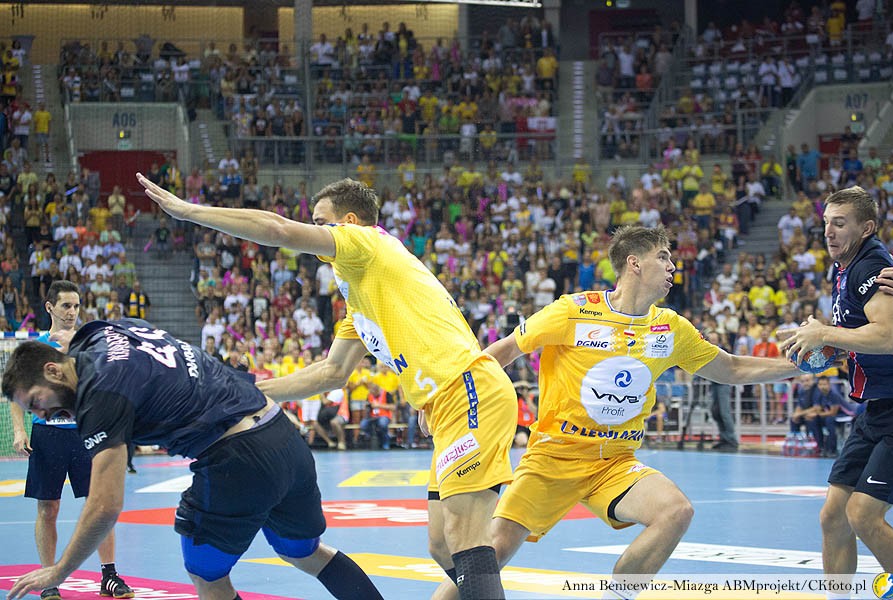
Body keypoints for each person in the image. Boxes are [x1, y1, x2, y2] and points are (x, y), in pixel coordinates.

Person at [137, 174, 517, 600]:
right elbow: (330, 372)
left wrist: (189, 211)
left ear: (349, 222)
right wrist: (249, 391)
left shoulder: (365, 243)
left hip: (468, 392)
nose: (314, 230)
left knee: (464, 536)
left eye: (320, 222)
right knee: (443, 544)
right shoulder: (363, 299)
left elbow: (278, 230)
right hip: (445, 406)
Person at [435, 225, 802, 600]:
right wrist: (452, 399)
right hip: (553, 457)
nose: (673, 266)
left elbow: (732, 368)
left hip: (614, 462)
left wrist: (798, 366)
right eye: (663, 257)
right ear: (634, 263)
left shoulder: (670, 328)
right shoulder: (573, 310)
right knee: (491, 552)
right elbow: (506, 349)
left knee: (675, 511)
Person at [3, 318, 383, 600]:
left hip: (238, 457)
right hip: (282, 434)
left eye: (37, 401)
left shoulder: (99, 397)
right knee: (305, 553)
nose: (43, 413)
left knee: (207, 575)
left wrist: (60, 570)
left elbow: (105, 506)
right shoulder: (104, 333)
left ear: (53, 370)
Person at [780, 186, 893, 580]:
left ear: (866, 228)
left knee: (864, 515)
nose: (828, 231)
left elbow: (891, 337)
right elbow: (868, 336)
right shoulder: (845, 267)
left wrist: (826, 334)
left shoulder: (871, 266)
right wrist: (836, 349)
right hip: (876, 408)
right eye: (826, 223)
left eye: (840, 223)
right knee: (833, 516)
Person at [8, 280, 133, 600]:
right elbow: (17, 393)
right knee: (47, 508)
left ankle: (109, 575)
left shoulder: (87, 344)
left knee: (101, 503)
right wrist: (19, 429)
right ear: (50, 307)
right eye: (66, 306)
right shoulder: (36, 349)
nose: (72, 312)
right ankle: (49, 579)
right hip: (48, 435)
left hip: (86, 434)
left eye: (76, 306)